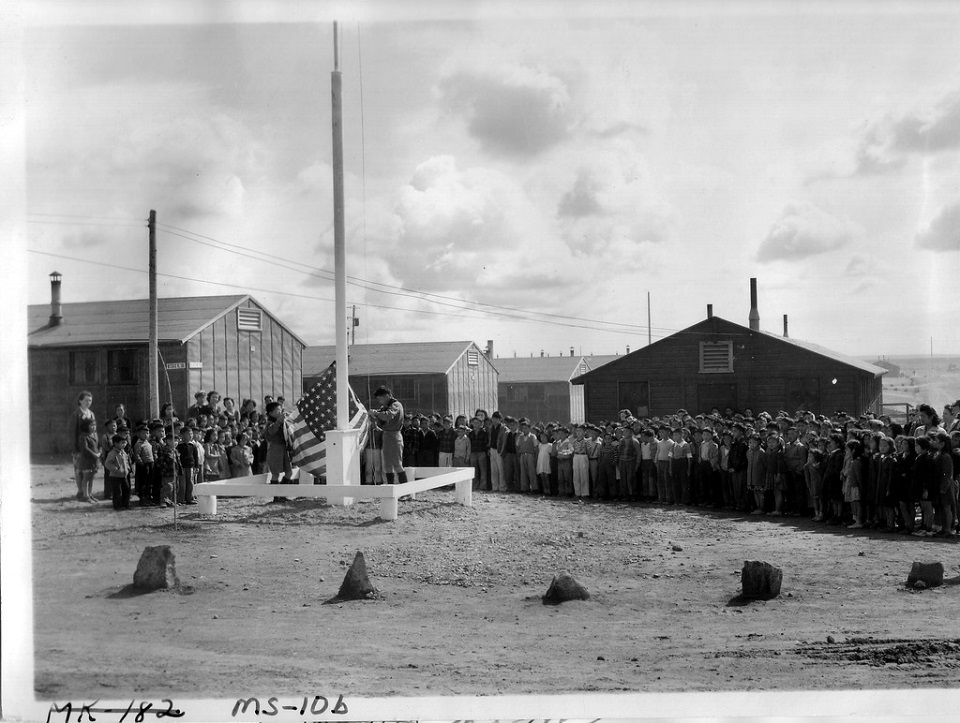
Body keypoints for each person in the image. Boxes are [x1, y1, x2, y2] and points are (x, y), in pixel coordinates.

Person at [371, 387, 406, 485]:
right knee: (387, 465)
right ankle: (390, 488)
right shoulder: (385, 407)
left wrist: (376, 413)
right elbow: (382, 419)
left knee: (397, 464)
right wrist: (375, 417)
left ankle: (406, 490)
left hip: (394, 436)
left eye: (380, 399)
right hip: (386, 435)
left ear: (387, 396)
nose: (379, 402)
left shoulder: (395, 405)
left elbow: (388, 416)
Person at [68, 390, 96, 501]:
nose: (88, 402)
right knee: (79, 469)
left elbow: (94, 431)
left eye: (90, 400)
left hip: (90, 446)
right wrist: (75, 449)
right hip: (80, 447)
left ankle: (87, 492)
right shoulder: (76, 414)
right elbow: (72, 433)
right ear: (80, 401)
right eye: (86, 400)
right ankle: (80, 491)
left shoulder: (91, 414)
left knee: (89, 470)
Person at [264, 401, 294, 501]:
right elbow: (272, 431)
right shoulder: (270, 423)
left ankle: (282, 494)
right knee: (275, 474)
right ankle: (276, 497)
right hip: (275, 450)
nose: (279, 412)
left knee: (289, 472)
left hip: (284, 449)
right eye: (277, 410)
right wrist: (279, 421)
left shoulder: (283, 422)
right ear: (270, 413)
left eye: (280, 409)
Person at [104, 434, 132, 510]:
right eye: (122, 442)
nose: (124, 444)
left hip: (124, 475)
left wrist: (128, 468)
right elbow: (107, 463)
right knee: (117, 491)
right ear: (116, 444)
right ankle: (117, 506)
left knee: (126, 489)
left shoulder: (123, 452)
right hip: (115, 476)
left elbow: (126, 461)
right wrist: (116, 470)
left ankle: (126, 504)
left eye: (125, 442)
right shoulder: (112, 453)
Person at [76, 417, 100, 503]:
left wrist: (99, 453)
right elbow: (85, 448)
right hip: (86, 460)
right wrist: (94, 454)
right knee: (86, 478)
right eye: (91, 425)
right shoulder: (83, 436)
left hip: (94, 460)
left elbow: (99, 445)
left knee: (91, 478)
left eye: (94, 425)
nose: (93, 427)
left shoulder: (95, 435)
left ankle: (90, 494)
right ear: (86, 426)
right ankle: (85, 496)